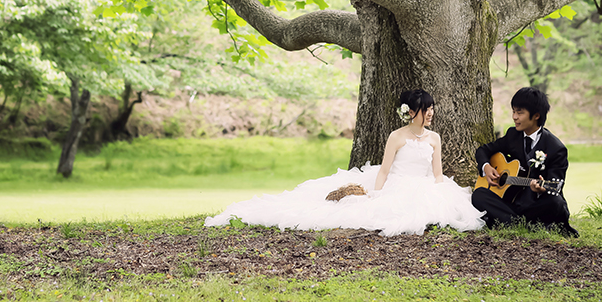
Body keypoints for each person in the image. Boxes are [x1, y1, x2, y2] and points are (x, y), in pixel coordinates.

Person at [205, 89, 486, 236]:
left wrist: (443, 190)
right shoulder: (396, 137)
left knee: (436, 208)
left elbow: (437, 174)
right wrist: (378, 192)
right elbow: (386, 169)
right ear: (411, 112)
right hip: (397, 182)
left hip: (423, 184)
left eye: (432, 109)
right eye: (426, 110)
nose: (430, 114)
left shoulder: (435, 137)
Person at [472, 87, 579, 237]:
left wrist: (542, 189)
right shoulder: (513, 135)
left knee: (556, 203)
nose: (514, 117)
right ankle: (523, 225)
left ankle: (510, 222)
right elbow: (483, 150)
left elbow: (557, 185)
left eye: (520, 112)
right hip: (511, 202)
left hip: (535, 205)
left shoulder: (556, 148)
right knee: (479, 194)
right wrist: (487, 167)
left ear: (536, 115)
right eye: (514, 111)